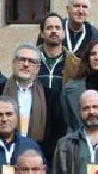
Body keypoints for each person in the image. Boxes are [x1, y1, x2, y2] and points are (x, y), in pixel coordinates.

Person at [0, 43, 56, 151]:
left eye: (31, 61)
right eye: (22, 59)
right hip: (1, 153)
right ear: (13, 63)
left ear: (38, 68)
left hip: (37, 157)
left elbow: (54, 134)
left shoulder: (50, 96)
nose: (26, 64)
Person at [34, 14, 79, 157]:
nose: (54, 31)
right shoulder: (30, 60)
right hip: (36, 120)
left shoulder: (76, 64)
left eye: (57, 28)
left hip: (63, 124)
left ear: (64, 33)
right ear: (42, 33)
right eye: (49, 28)